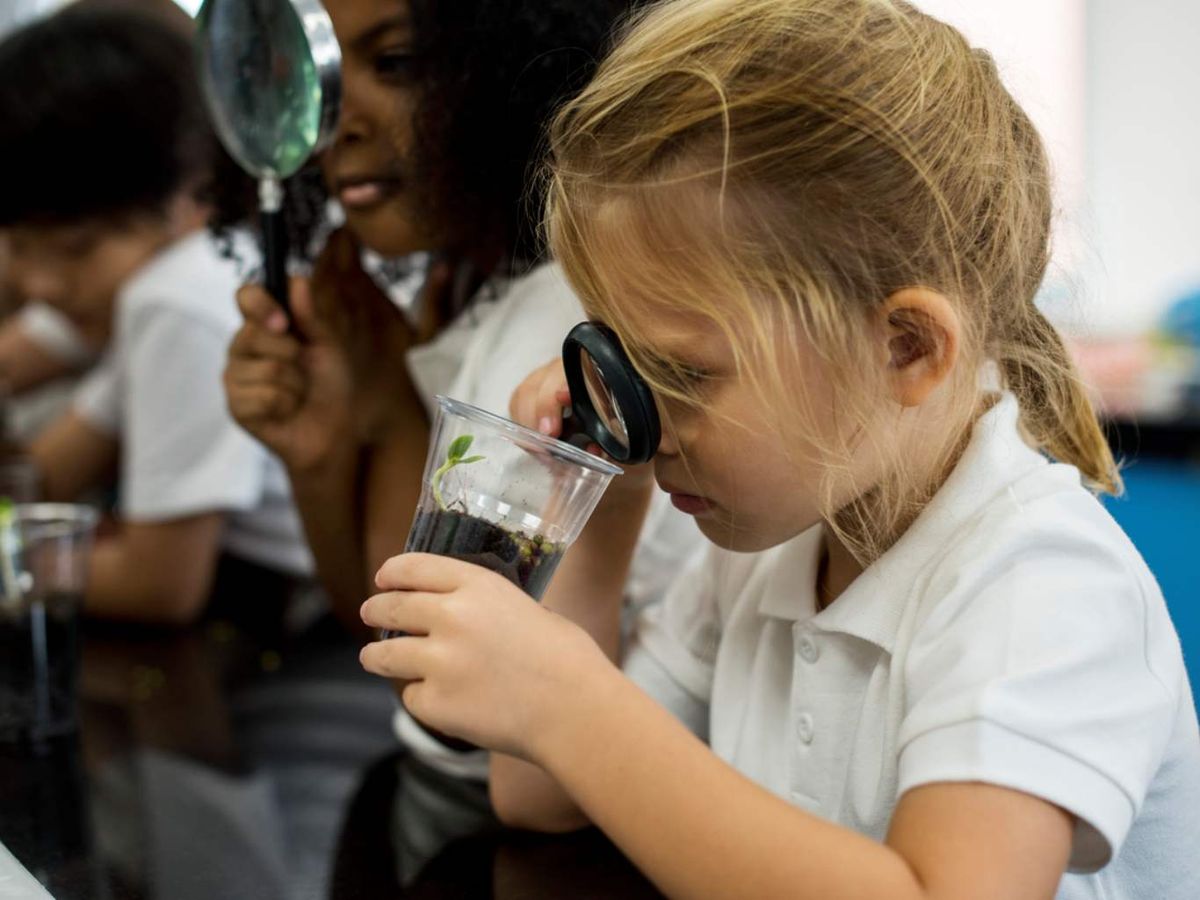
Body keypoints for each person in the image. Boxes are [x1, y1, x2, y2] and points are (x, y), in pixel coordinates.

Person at [357, 0, 1200, 896]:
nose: (641, 416)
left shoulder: (1039, 586)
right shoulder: (775, 550)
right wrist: (604, 509)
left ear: (906, 349)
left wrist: (572, 702)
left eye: (682, 371)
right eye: (621, 359)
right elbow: (540, 798)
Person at [223, 0, 699, 770]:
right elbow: (383, 620)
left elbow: (427, 657)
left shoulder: (558, 314)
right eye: (327, 76)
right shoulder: (465, 287)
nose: (339, 121)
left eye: (398, 64)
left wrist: (380, 400)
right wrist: (319, 455)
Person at [0, 5, 312, 624]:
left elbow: (158, 585)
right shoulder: (146, 284)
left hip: (292, 623)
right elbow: (44, 483)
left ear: (188, 198)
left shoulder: (179, 297)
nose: (41, 283)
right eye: (21, 247)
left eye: (76, 249)